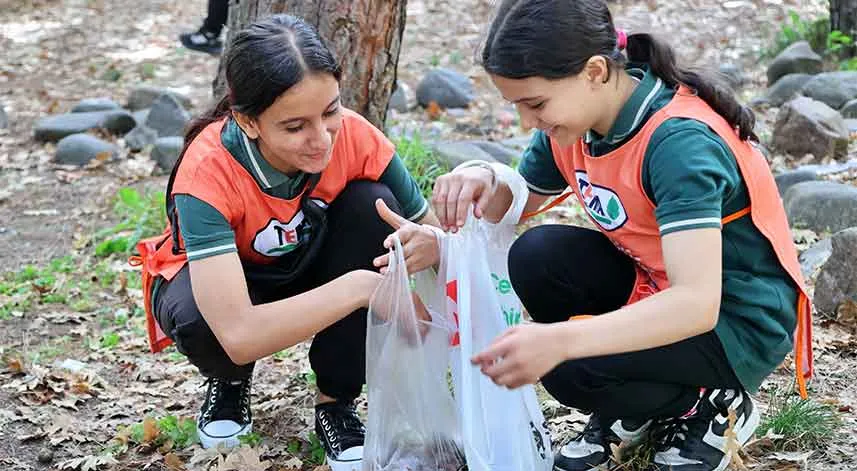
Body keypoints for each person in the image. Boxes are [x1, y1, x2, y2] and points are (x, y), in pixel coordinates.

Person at [402, 1, 814, 470]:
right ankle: (637, 402)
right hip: (654, 283)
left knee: (569, 365)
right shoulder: (577, 120)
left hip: (735, 320)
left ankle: (708, 403)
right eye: (517, 107)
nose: (526, 123)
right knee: (538, 256)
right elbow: (522, 200)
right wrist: (477, 183)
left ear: (595, 71)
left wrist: (563, 339)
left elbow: (696, 303)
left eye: (535, 104)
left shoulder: (678, 143)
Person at [134, 14, 440, 470]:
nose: (321, 140)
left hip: (310, 260)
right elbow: (238, 333)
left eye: (331, 111)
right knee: (203, 320)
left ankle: (336, 401)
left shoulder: (356, 136)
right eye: (295, 127)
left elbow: (432, 230)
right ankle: (231, 384)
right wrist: (365, 289)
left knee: (373, 205)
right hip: (234, 283)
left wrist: (432, 246)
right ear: (248, 122)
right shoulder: (207, 172)